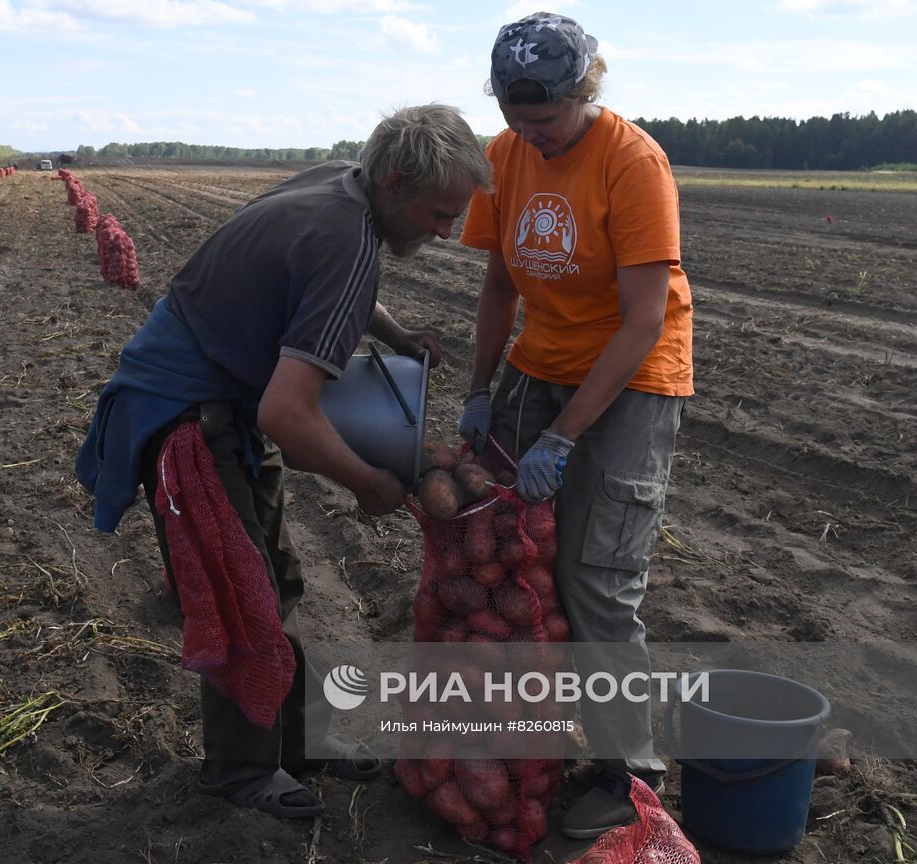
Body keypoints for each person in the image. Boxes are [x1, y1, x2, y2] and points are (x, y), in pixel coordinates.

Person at [76, 104, 493, 818]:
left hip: (222, 400)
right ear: (395, 183)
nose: (444, 231)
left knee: (279, 581)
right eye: (438, 213)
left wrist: (394, 335)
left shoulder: (342, 183)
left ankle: (300, 739)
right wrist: (368, 483)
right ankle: (239, 772)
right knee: (244, 596)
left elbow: (333, 298)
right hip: (186, 414)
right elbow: (286, 414)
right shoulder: (347, 241)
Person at [456, 12, 695, 839]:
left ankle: (631, 773)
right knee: (517, 558)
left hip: (633, 376)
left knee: (598, 577)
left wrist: (563, 439)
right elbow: (498, 287)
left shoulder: (634, 165)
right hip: (539, 364)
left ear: (585, 91)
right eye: (515, 117)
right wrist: (481, 388)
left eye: (545, 118)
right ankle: (537, 737)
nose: (530, 134)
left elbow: (641, 322)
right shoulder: (506, 153)